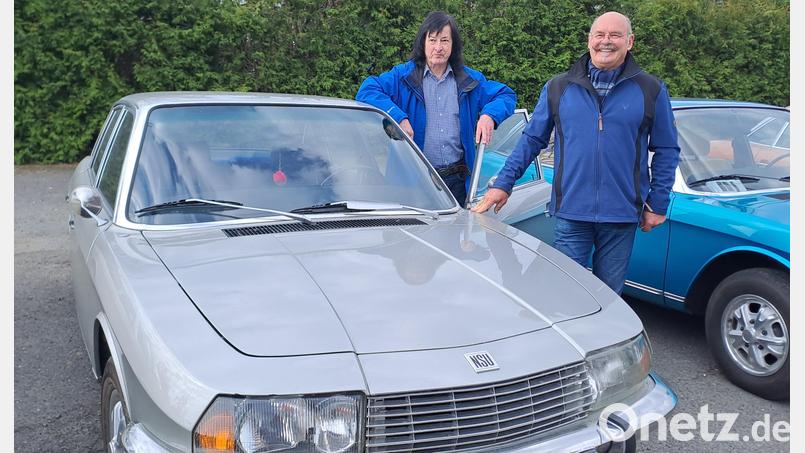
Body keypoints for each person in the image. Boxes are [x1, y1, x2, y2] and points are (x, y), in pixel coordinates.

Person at [472, 11, 680, 295]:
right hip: (572, 210)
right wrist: (504, 184)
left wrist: (658, 202)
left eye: (615, 35)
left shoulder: (650, 89)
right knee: (565, 294)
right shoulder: (559, 87)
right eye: (600, 35)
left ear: (630, 42)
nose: (606, 42)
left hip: (621, 215)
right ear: (589, 40)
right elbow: (532, 140)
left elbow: (667, 149)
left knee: (608, 297)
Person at [356, 11, 516, 206]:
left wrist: (489, 115)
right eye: (432, 40)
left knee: (454, 235)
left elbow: (506, 95)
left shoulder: (469, 80)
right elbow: (367, 90)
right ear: (423, 42)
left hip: (456, 182)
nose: (438, 47)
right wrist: (398, 117)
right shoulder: (402, 77)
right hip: (412, 181)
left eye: (444, 40)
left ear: (453, 45)